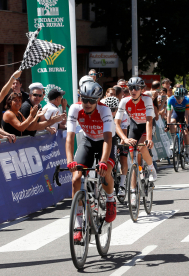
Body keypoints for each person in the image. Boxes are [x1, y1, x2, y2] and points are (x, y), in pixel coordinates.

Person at [66, 80, 118, 241]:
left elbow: (108, 139)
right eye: (84, 99)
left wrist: (103, 161)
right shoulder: (75, 108)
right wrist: (70, 161)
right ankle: (79, 225)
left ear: (98, 101)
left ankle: (110, 200)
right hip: (88, 141)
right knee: (75, 178)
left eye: (91, 101)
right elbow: (70, 138)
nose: (87, 104)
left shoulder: (104, 110)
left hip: (105, 142)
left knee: (105, 171)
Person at [115, 77, 157, 205]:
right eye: (131, 88)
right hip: (134, 126)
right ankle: (133, 192)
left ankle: (151, 168)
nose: (133, 90)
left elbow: (149, 120)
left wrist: (149, 138)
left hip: (147, 126)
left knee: (142, 147)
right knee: (133, 161)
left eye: (136, 88)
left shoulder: (147, 99)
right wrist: (124, 138)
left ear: (142, 89)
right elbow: (116, 123)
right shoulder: (124, 101)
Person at [166, 87, 189, 161]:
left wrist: (186, 125)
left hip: (184, 114)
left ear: (184, 96)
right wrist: (168, 124)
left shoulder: (187, 100)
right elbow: (168, 113)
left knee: (185, 133)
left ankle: (187, 152)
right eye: (178, 98)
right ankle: (174, 142)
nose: (179, 99)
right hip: (176, 113)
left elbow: (187, 114)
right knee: (171, 123)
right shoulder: (171, 99)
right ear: (174, 96)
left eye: (181, 97)